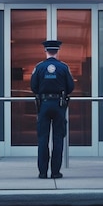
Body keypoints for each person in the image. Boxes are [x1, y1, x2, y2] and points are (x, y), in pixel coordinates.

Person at [30, 39, 75, 179]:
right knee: (58, 139)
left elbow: (33, 87)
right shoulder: (63, 67)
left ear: (45, 50)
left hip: (43, 104)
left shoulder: (39, 67)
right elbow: (71, 87)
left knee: (42, 138)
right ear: (57, 50)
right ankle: (55, 171)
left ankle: (42, 172)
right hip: (59, 105)